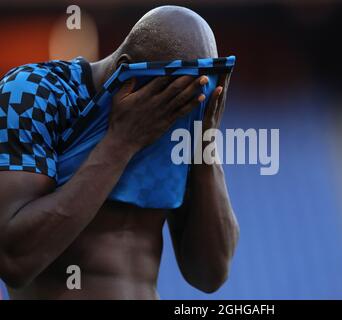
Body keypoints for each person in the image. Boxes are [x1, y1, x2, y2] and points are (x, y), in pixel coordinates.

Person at [0, 5, 239, 299]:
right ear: (127, 73)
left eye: (201, 86)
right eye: (173, 88)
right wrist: (121, 142)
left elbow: (209, 275)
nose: (184, 102)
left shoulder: (184, 114)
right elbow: (15, 260)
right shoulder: (36, 93)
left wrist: (205, 148)